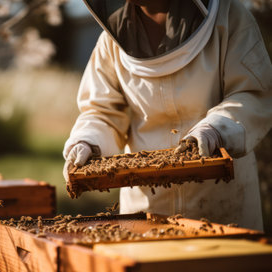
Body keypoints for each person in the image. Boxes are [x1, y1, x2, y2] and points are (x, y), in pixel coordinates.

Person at [63, 0, 272, 230]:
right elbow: (103, 112)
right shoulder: (111, 40)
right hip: (146, 207)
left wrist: (218, 128)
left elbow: (252, 91)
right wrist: (88, 140)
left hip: (222, 204)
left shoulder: (229, 16)